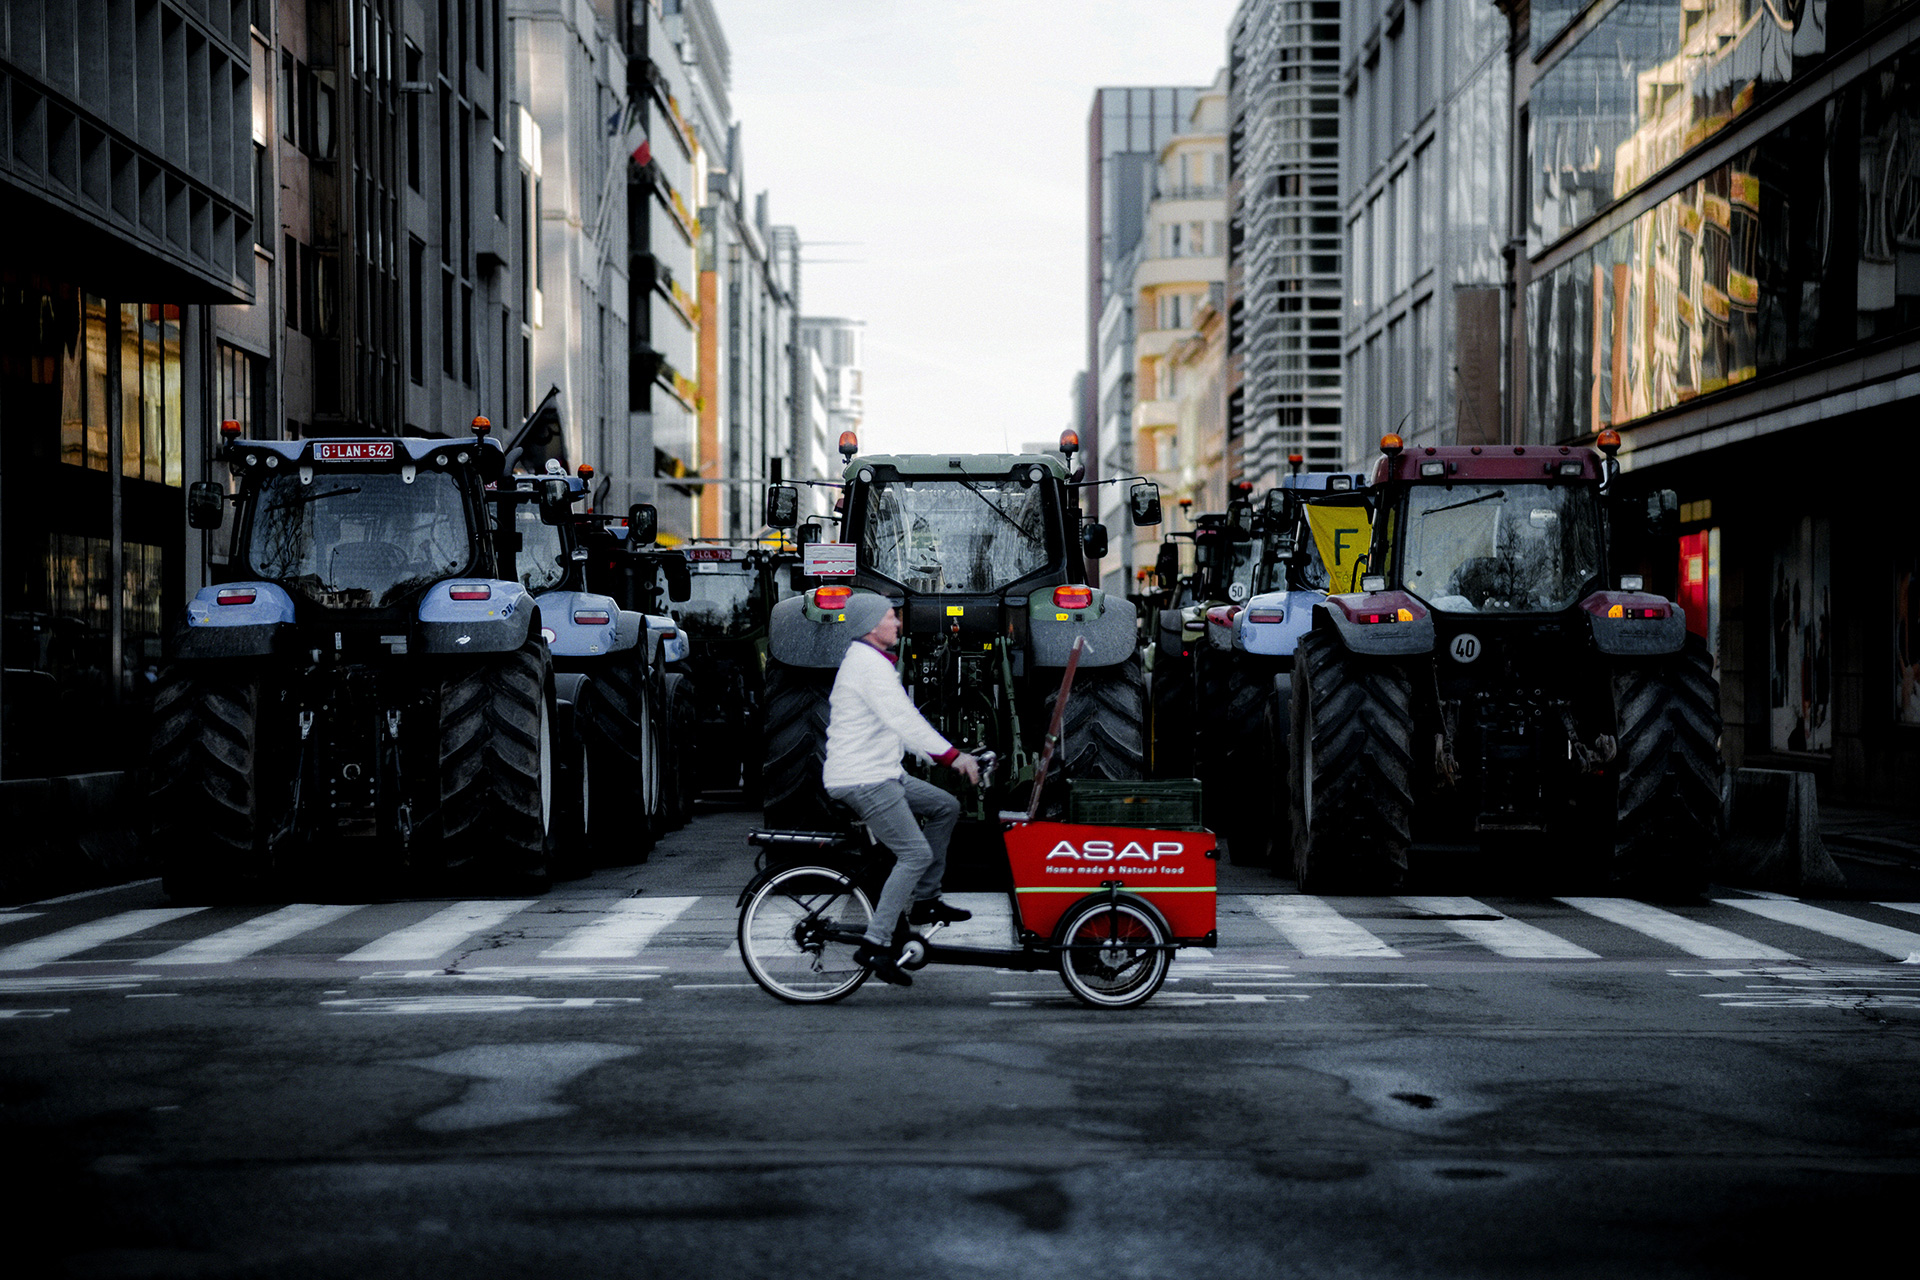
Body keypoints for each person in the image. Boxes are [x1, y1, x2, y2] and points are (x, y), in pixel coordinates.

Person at [822, 593, 981, 987]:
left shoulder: (874, 663)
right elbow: (905, 719)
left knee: (945, 807)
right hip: (864, 778)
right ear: (871, 625)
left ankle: (926, 900)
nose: (897, 624)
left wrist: (951, 755)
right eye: (891, 617)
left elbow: (900, 728)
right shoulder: (867, 666)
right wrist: (951, 756)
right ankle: (875, 944)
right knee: (913, 853)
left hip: (883, 772)